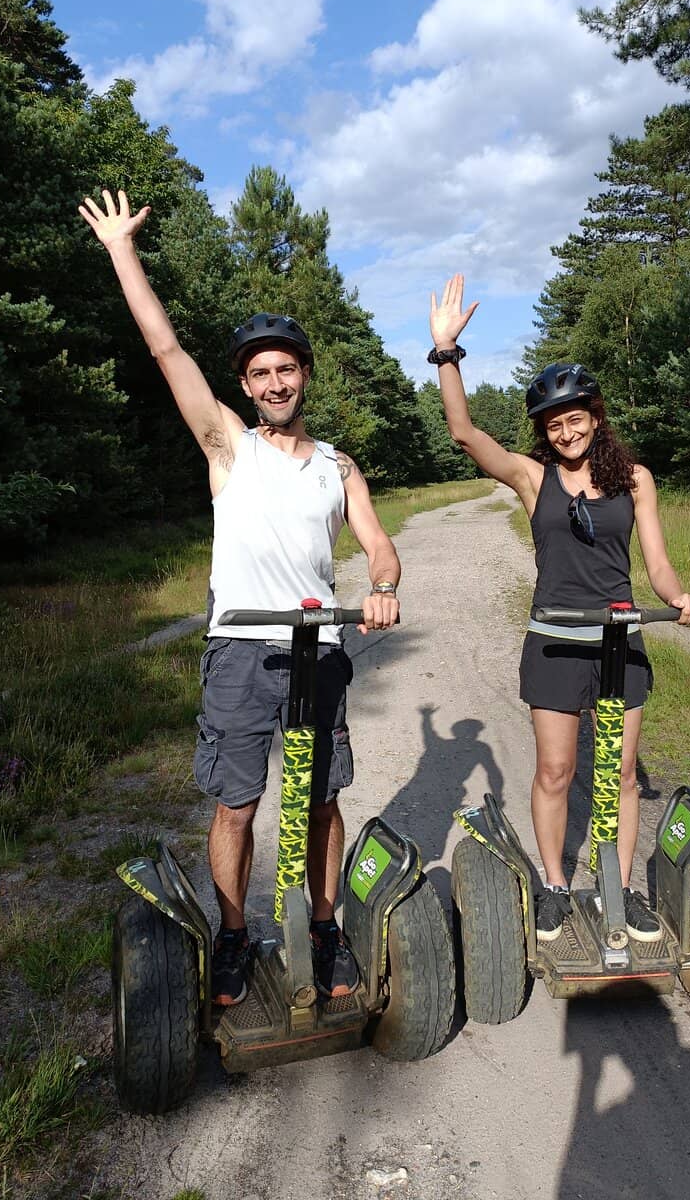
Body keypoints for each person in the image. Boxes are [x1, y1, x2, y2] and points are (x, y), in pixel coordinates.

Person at [80, 190, 401, 1005]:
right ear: (247, 387)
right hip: (240, 651)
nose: (273, 382)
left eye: (285, 368)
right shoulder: (227, 446)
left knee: (324, 799)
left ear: (304, 376)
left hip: (319, 651)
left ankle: (323, 926)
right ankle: (232, 934)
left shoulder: (340, 466)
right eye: (259, 373)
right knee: (236, 805)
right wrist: (121, 249)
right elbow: (164, 349)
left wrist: (384, 587)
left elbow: (378, 545)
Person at [428, 274, 690, 942]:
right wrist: (446, 354)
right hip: (555, 640)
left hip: (619, 640)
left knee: (620, 778)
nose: (565, 430)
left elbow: (658, 561)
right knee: (556, 770)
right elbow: (465, 433)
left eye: (575, 416)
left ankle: (622, 886)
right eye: (553, 423)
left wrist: (677, 596)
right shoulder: (533, 478)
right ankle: (556, 885)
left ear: (596, 414)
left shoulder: (634, 479)